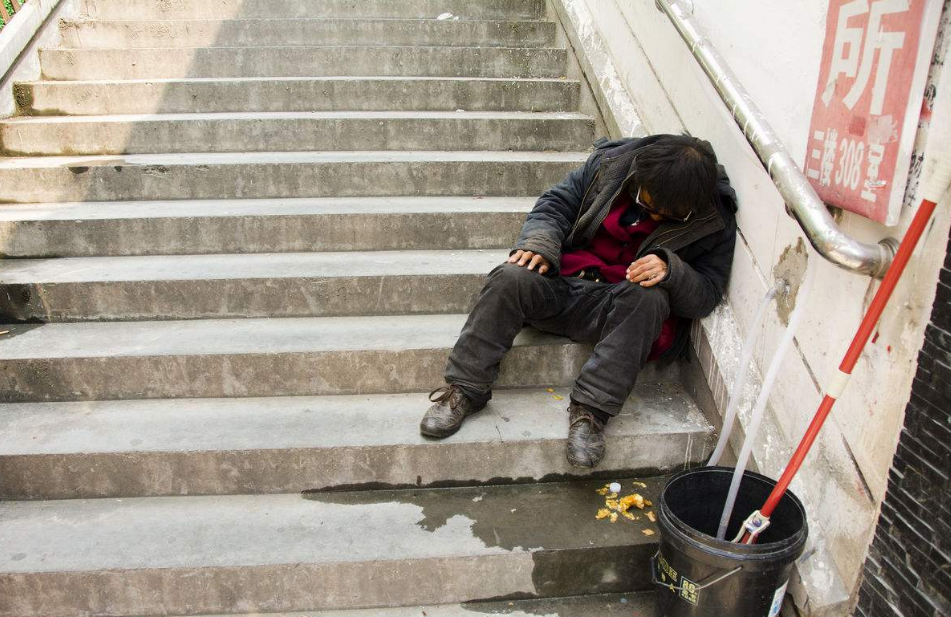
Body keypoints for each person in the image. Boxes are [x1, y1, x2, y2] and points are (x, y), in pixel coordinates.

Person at [419, 133, 738, 468]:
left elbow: (706, 293)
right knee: (510, 276)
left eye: (669, 216)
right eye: (648, 206)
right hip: (566, 282)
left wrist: (673, 270)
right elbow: (555, 205)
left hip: (619, 310)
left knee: (650, 297)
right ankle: (465, 390)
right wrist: (539, 243)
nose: (655, 219)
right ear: (638, 177)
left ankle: (591, 413)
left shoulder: (715, 218)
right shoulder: (610, 166)